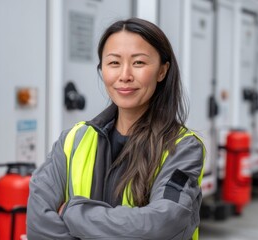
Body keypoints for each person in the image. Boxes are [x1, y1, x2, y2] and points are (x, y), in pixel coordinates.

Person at [26, 18, 205, 240]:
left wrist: (72, 213)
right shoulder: (73, 139)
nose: (125, 75)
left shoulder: (182, 148)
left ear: (162, 71)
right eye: (114, 63)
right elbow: (37, 223)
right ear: (102, 70)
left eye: (139, 63)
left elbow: (161, 225)